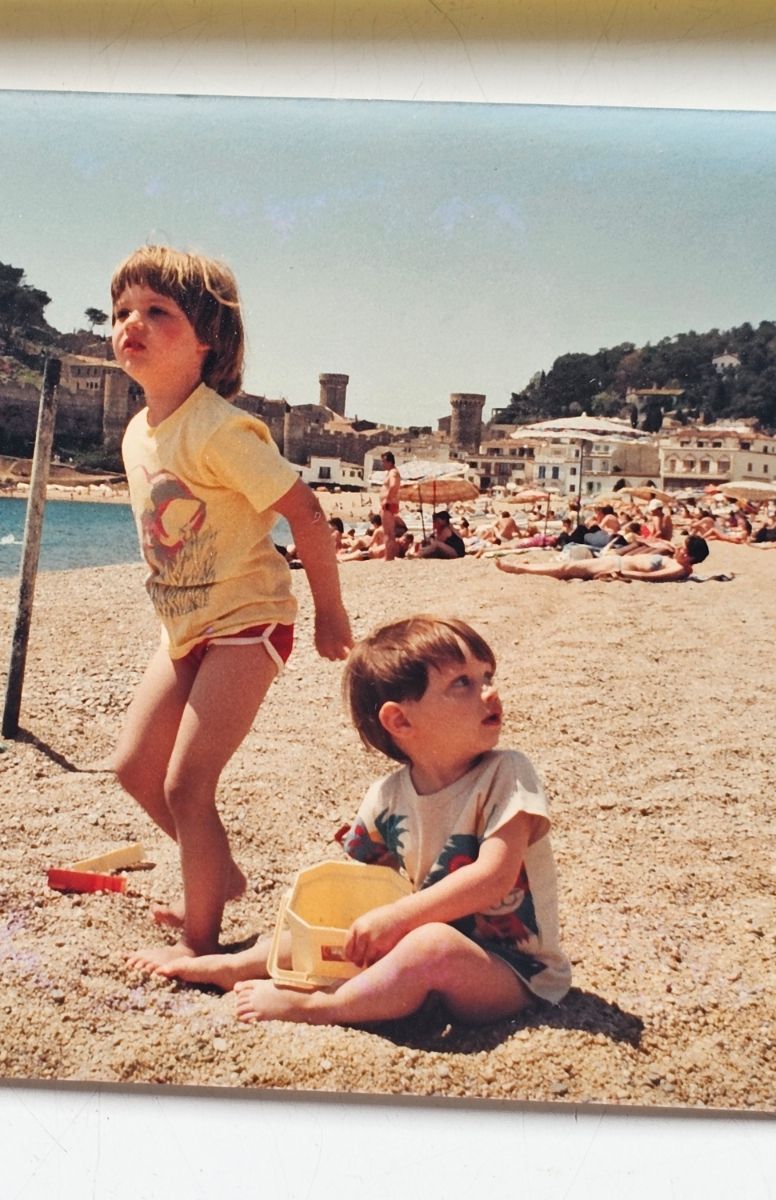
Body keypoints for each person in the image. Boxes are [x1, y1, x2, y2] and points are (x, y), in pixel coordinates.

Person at [106, 245, 355, 970]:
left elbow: (306, 513)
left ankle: (200, 937)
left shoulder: (220, 429)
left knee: (188, 783)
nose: (132, 324)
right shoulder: (137, 432)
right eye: (122, 312)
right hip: (182, 623)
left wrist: (329, 611)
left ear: (208, 339)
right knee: (132, 769)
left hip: (247, 622)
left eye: (158, 312)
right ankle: (218, 874)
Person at [148, 616, 571, 1027]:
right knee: (327, 924)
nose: (490, 693)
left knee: (430, 945)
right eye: (463, 682)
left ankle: (319, 1007)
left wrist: (399, 919)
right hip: (415, 950)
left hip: (511, 973)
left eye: (488, 676)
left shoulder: (507, 773)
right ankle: (235, 964)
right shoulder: (386, 797)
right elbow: (357, 892)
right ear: (400, 721)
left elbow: (493, 878)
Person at [494, 535, 710, 582]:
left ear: (689, 556)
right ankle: (528, 567)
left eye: (684, 547)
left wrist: (621, 573)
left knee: (567, 568)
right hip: (614, 562)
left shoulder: (680, 569)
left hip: (615, 565)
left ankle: (518, 569)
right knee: (567, 566)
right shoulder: (677, 561)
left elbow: (655, 577)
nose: (679, 547)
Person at [378, 451, 403, 561]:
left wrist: (387, 500)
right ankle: (388, 556)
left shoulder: (393, 472)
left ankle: (389, 557)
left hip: (388, 505)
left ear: (389, 461)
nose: (382, 464)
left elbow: (394, 486)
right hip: (389, 505)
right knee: (388, 532)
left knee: (388, 533)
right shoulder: (391, 472)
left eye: (384, 461)